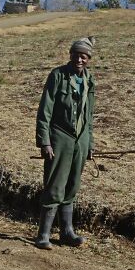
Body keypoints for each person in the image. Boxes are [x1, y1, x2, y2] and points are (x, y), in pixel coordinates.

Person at [34, 36, 96, 250]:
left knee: (72, 186)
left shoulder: (89, 80)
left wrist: (90, 143)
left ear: (89, 59)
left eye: (84, 56)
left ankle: (67, 233)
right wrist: (45, 142)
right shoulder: (57, 76)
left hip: (80, 141)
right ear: (70, 55)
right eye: (76, 55)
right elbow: (45, 111)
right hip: (59, 138)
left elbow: (89, 115)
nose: (80, 59)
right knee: (54, 185)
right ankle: (43, 235)